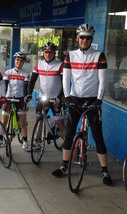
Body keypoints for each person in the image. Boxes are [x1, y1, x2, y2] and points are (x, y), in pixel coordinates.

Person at [51, 24, 112, 185]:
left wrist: (99, 99)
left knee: (98, 137)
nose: (85, 40)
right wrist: (67, 97)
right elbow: (66, 78)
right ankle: (64, 165)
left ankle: (104, 170)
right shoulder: (70, 56)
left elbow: (103, 81)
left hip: (92, 101)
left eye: (88, 37)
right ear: (77, 38)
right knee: (69, 134)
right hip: (75, 100)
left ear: (92, 39)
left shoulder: (99, 56)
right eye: (82, 37)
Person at [27, 42, 66, 150]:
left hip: (55, 99)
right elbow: (32, 81)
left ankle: (66, 144)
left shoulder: (60, 65)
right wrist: (29, 94)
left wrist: (59, 97)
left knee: (60, 123)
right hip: (42, 97)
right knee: (38, 120)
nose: (48, 54)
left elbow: (64, 84)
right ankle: (37, 141)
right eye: (46, 52)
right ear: (43, 53)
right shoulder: (39, 64)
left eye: (51, 52)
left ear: (54, 53)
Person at [1, 52, 30, 151]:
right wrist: (3, 97)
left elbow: (26, 88)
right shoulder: (8, 72)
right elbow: (4, 85)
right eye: (17, 60)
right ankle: (0, 138)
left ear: (23, 62)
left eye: (21, 61)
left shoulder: (25, 74)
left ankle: (25, 141)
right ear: (14, 61)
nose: (19, 62)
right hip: (9, 98)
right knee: (4, 121)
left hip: (20, 99)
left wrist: (26, 99)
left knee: (22, 123)